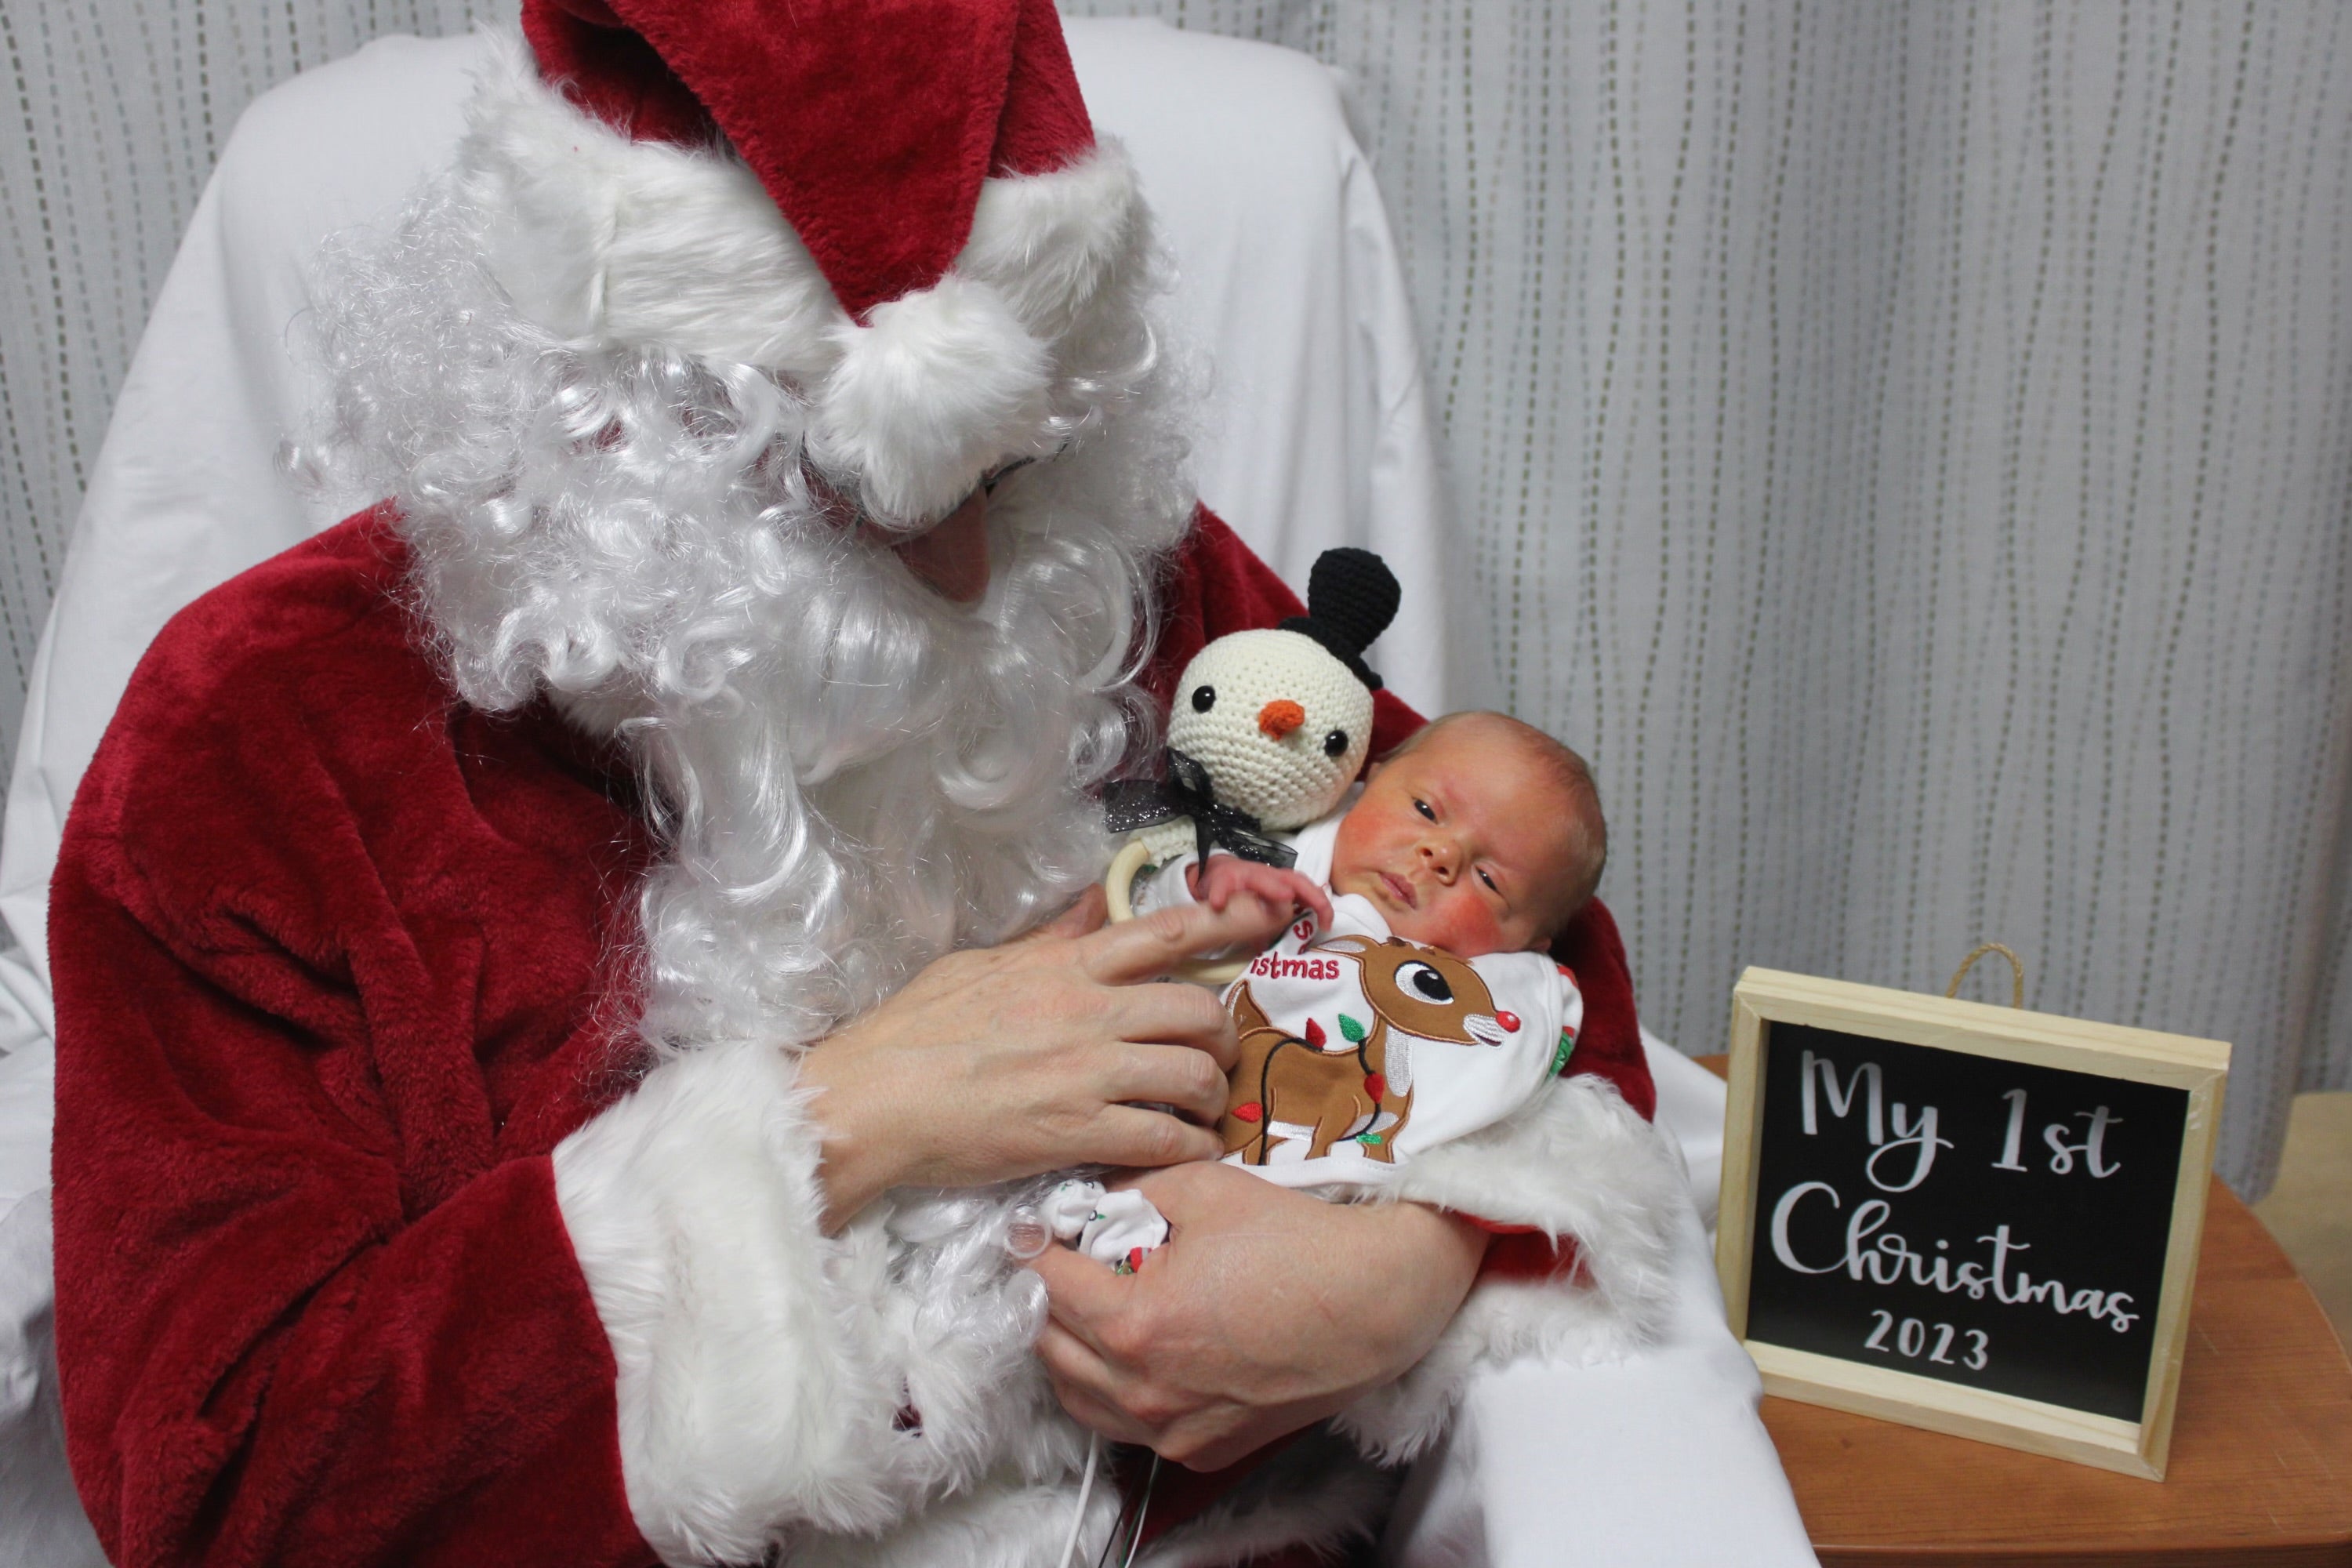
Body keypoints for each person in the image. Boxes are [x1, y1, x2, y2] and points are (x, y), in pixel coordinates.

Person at [44, 3, 1681, 1564]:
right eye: (853, 495)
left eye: (1012, 466)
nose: (971, 574)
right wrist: (851, 1119)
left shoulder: (1102, 576)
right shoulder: (260, 740)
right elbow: (225, 1494)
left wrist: (1411, 1258)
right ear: (613, 425)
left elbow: (1523, 901)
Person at [1054, 713, 1616, 1272]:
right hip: (1144, 1130)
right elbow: (1148, 926)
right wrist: (1203, 887)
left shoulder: (1485, 994)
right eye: (1426, 810)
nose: (1440, 855)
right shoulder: (1279, 869)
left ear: (1526, 944)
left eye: (1489, 880)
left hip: (1316, 1227)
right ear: (1372, 779)